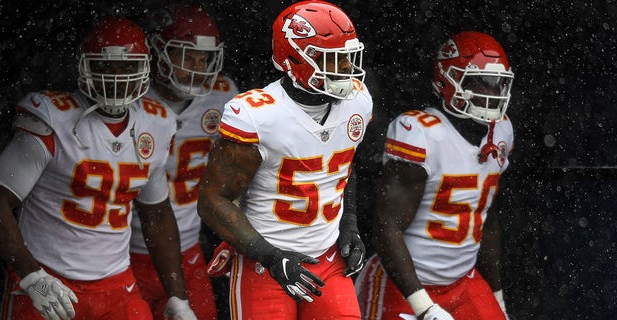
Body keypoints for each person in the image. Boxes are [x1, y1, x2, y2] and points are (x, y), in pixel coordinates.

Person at [0, 16, 197, 320]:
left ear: (145, 68)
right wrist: (31, 275)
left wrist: (178, 296)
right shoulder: (53, 117)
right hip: (49, 280)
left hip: (117, 285)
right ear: (84, 67)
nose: (116, 78)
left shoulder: (156, 122)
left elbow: (156, 214)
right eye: (106, 67)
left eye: (127, 67)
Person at [197, 1, 372, 318]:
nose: (347, 67)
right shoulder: (257, 114)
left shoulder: (358, 100)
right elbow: (212, 200)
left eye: (348, 56)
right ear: (295, 60)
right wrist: (269, 256)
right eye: (334, 58)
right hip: (262, 264)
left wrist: (350, 226)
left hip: (326, 258)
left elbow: (341, 166)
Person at [354, 31, 514, 320]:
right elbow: (386, 227)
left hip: (464, 281)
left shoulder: (501, 131)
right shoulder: (422, 133)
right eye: (482, 82)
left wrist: (497, 295)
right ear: (446, 80)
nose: (491, 93)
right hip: (404, 284)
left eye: (498, 83)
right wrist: (423, 306)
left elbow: (487, 220)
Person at [128, 3, 239, 320]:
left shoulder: (222, 95)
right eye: (186, 56)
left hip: (188, 252)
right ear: (158, 52)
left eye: (203, 58)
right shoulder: (128, 98)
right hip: (119, 254)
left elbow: (243, 175)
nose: (197, 66)